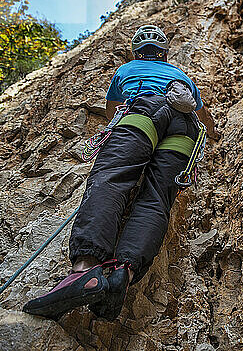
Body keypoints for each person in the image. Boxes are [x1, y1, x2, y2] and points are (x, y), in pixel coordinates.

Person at [23, 25, 218, 321]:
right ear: (164, 54)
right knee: (156, 201)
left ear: (137, 52)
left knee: (111, 179)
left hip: (143, 114)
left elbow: (113, 109)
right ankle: (120, 278)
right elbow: (202, 118)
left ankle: (85, 272)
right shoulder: (182, 77)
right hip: (186, 132)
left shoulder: (126, 69)